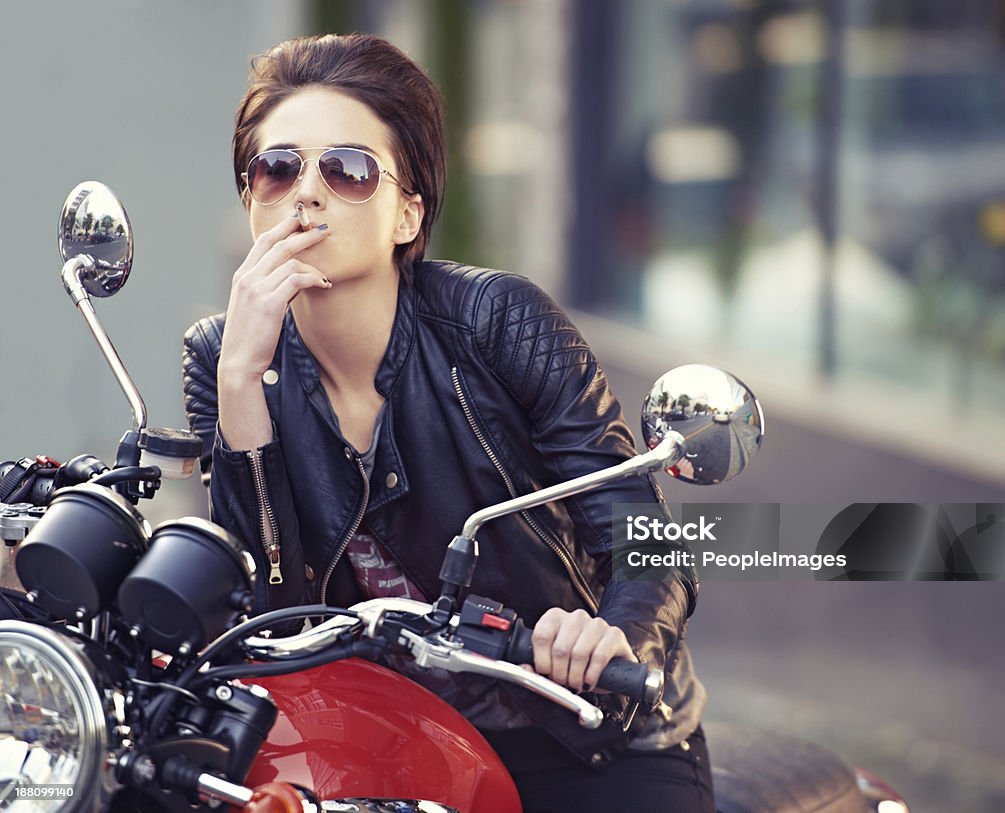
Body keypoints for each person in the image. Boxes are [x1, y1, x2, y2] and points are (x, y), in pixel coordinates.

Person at [183, 33, 713, 812]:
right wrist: (241, 380)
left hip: (584, 730)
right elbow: (272, 617)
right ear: (251, 198)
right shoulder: (219, 360)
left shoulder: (500, 322)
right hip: (388, 739)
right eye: (278, 167)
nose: (306, 193)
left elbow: (651, 543)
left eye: (349, 170)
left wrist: (615, 643)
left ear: (407, 212)